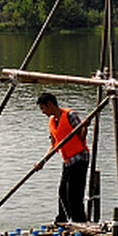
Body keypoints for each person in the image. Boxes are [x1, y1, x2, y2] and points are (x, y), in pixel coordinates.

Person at [35, 92, 90, 224]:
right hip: (67, 160)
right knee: (62, 192)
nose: (43, 112)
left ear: (50, 104)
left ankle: (79, 222)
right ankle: (62, 220)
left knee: (74, 194)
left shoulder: (70, 116)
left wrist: (85, 127)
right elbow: (54, 145)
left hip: (79, 159)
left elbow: (81, 137)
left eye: (43, 108)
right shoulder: (52, 122)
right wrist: (42, 161)